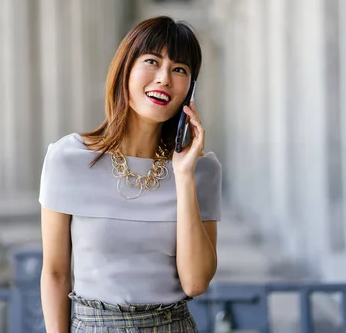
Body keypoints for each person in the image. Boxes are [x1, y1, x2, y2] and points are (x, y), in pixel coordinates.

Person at [39, 16, 222, 332]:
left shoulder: (200, 171)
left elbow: (195, 283)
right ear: (125, 69)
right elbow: (55, 272)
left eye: (180, 69)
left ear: (189, 90)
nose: (164, 78)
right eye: (152, 61)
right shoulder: (68, 159)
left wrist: (183, 175)